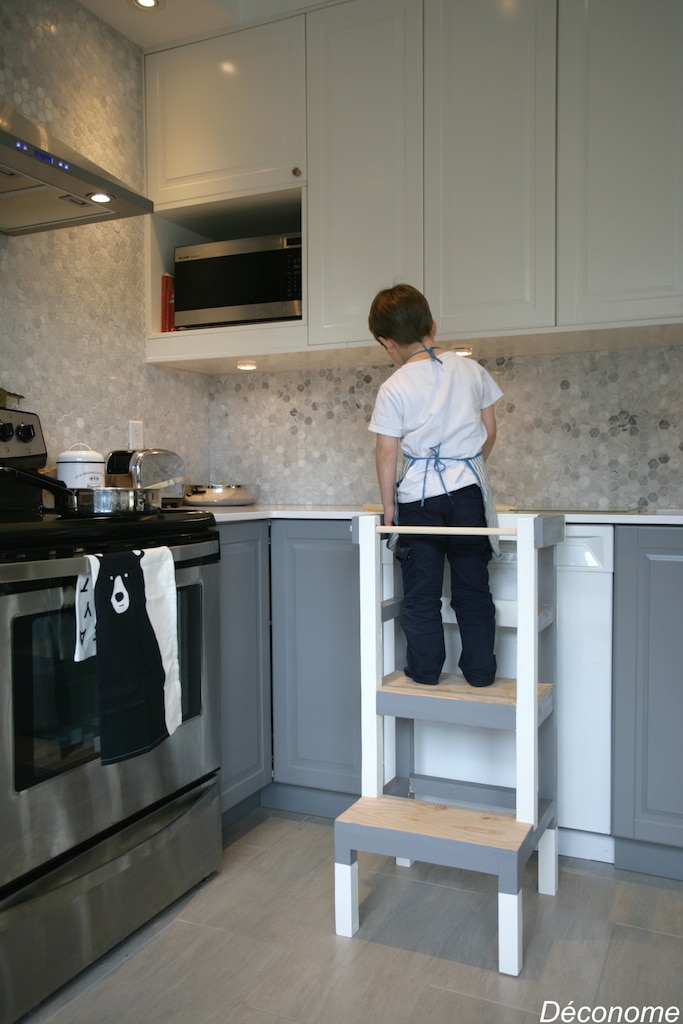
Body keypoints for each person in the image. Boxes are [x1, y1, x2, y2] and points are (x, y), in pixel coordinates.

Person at [368, 284, 502, 688]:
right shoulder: (472, 369)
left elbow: (386, 452)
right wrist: (465, 470)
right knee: (472, 588)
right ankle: (480, 674)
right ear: (433, 325)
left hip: (419, 500)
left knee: (422, 593)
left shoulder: (394, 386)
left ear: (386, 343)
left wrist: (390, 507)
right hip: (466, 495)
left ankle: (425, 672)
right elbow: (490, 432)